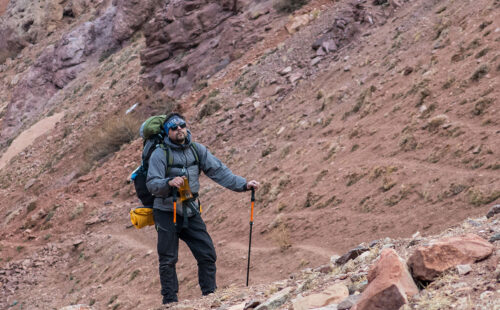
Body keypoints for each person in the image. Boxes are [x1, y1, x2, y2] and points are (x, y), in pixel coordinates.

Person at [146, 112, 259, 304]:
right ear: (167, 133)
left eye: (181, 125)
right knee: (168, 259)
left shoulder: (197, 150)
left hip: (190, 209)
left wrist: (244, 184)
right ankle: (170, 302)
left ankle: (210, 297)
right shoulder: (160, 153)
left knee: (207, 253)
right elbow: (152, 184)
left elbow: (219, 171)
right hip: (166, 211)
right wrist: (168, 182)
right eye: (173, 128)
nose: (179, 129)